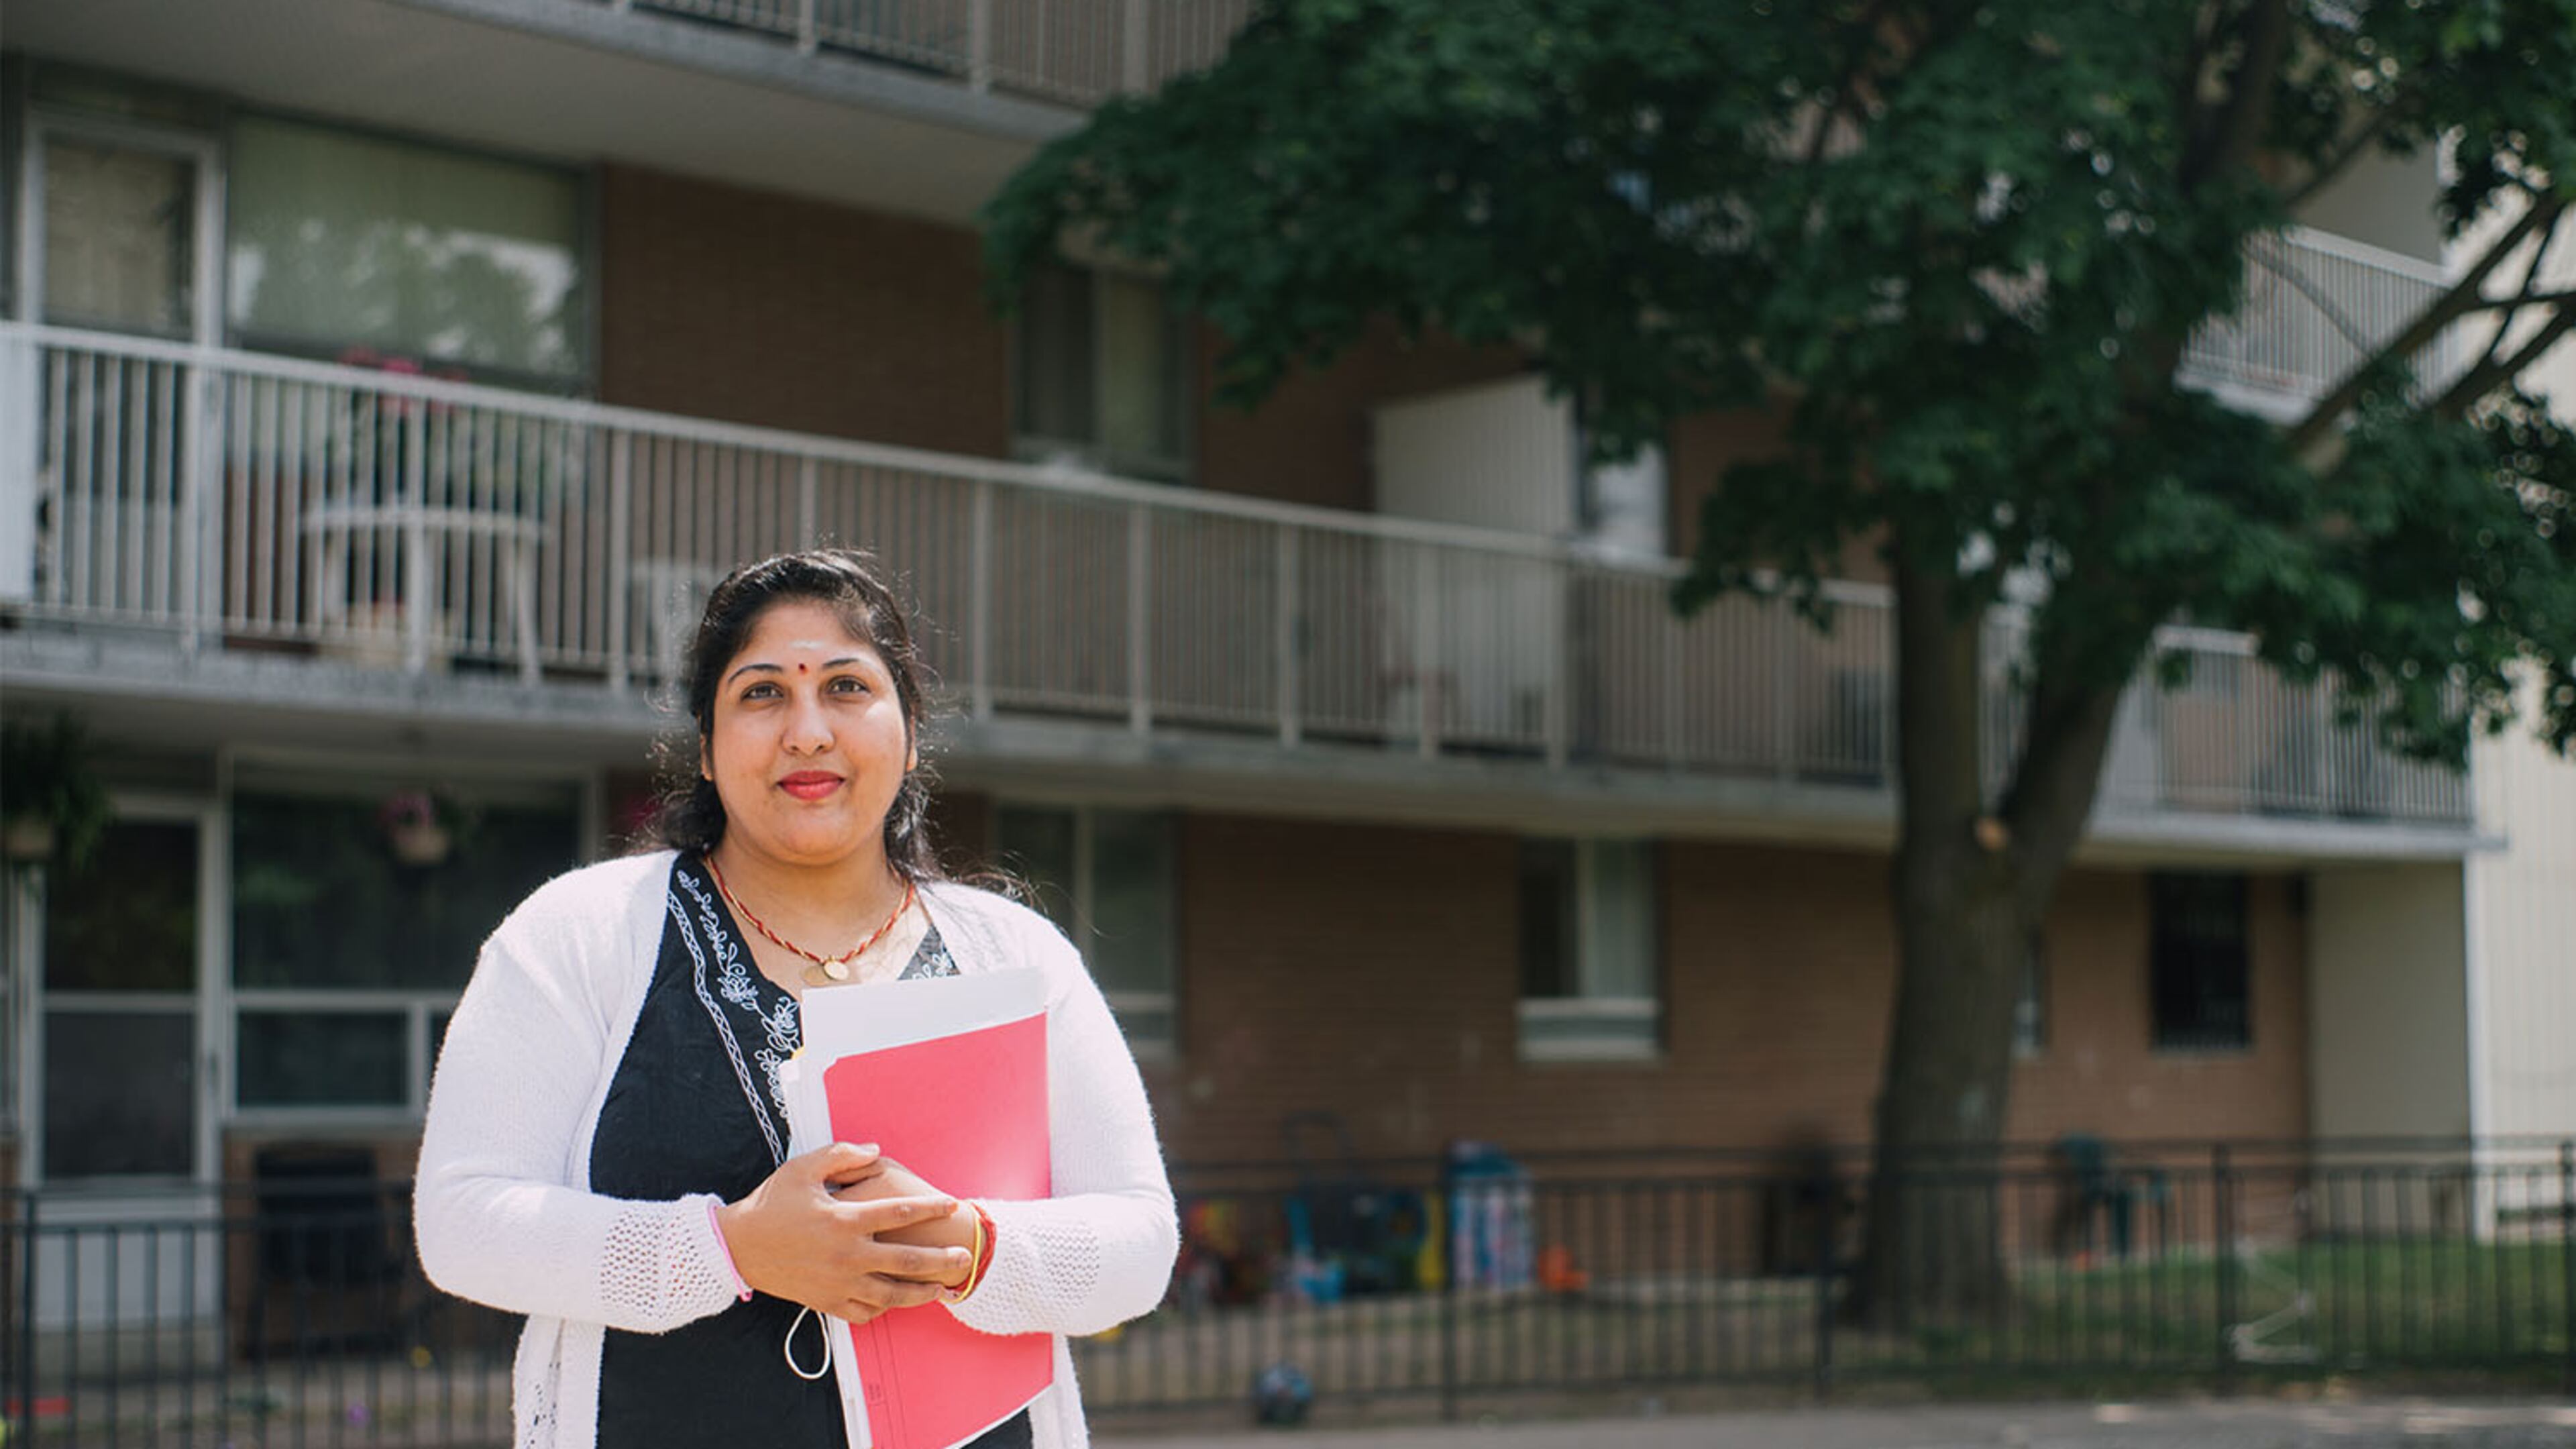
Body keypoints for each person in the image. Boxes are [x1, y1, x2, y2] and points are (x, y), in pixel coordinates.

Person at [415, 547, 1177, 1449]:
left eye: (848, 688)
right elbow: (463, 1221)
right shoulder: (581, 936)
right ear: (704, 746)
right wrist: (729, 1248)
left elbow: (1140, 1243)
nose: (808, 731)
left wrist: (966, 1246)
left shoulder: (1014, 958)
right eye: (763, 692)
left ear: (910, 729)